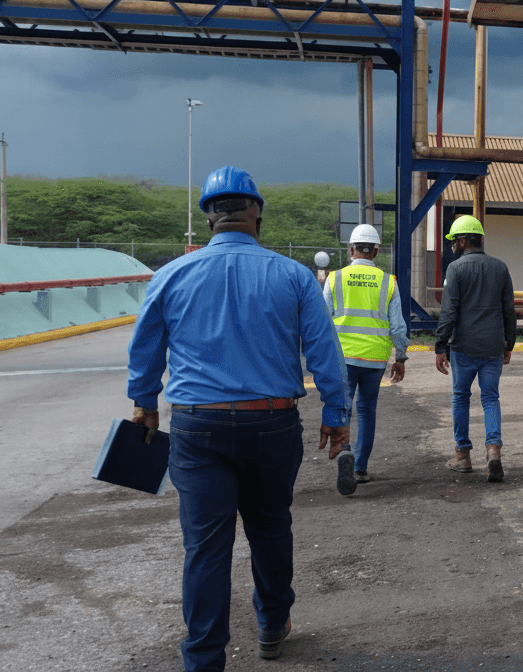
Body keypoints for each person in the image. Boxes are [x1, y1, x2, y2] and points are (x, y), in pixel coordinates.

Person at [126, 165, 352, 672]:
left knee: (206, 546)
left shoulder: (171, 276)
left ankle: (204, 660)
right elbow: (324, 352)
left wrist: (142, 403)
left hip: (197, 428)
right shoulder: (292, 276)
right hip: (271, 425)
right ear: (257, 215)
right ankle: (272, 624)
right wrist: (337, 413)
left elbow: (145, 350)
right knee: (271, 528)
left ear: (210, 218)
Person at [324, 223, 408, 494]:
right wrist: (401, 357)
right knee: (367, 412)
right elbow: (397, 327)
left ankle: (345, 450)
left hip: (342, 357)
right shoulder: (388, 281)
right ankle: (360, 468)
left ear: (351, 250)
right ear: (376, 251)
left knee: (344, 408)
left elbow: (322, 321)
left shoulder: (335, 278)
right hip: (374, 359)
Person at [433, 214, 516, 482]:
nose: (452, 246)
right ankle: (493, 451)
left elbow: (448, 311)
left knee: (461, 398)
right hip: (492, 346)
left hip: (464, 347)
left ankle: (463, 457)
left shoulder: (455, 270)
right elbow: (509, 310)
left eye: (454, 241)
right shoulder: (500, 268)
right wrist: (509, 344)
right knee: (490, 398)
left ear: (464, 241)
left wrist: (440, 345)